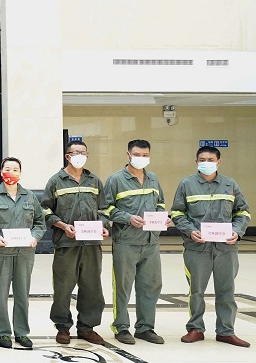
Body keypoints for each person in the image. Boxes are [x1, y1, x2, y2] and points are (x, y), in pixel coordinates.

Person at [170, 146, 251, 348]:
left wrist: (237, 231)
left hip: (226, 249)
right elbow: (177, 213)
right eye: (202, 159)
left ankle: (226, 331)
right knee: (196, 291)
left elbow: (243, 212)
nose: (206, 163)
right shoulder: (186, 184)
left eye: (210, 159)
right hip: (197, 248)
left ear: (218, 162)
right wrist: (190, 231)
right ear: (196, 162)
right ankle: (195, 328)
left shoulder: (230, 184)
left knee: (227, 291)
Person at [40, 140, 107, 346]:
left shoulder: (94, 181)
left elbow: (104, 210)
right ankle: (63, 327)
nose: (80, 156)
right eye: (75, 152)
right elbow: (45, 210)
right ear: (67, 156)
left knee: (92, 287)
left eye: (83, 152)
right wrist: (62, 225)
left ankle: (87, 327)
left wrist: (104, 226)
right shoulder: (56, 181)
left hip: (91, 244)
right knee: (63, 287)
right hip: (66, 243)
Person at [101, 139, 168, 345]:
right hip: (126, 241)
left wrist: (162, 217)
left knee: (151, 286)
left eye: (145, 155)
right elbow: (105, 208)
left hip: (150, 241)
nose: (141, 158)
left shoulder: (153, 179)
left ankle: (145, 328)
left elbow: (160, 203)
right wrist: (127, 218)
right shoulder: (115, 180)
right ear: (128, 155)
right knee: (123, 286)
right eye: (137, 155)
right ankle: (121, 327)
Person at [0, 156, 46, 349]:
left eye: (15, 169)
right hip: (1, 252)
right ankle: (3, 333)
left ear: (20, 173)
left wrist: (35, 237)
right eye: (7, 169)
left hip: (25, 252)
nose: (11, 172)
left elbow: (39, 223)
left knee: (22, 294)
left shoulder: (30, 197)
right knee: (1, 295)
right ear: (1, 172)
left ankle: (21, 332)